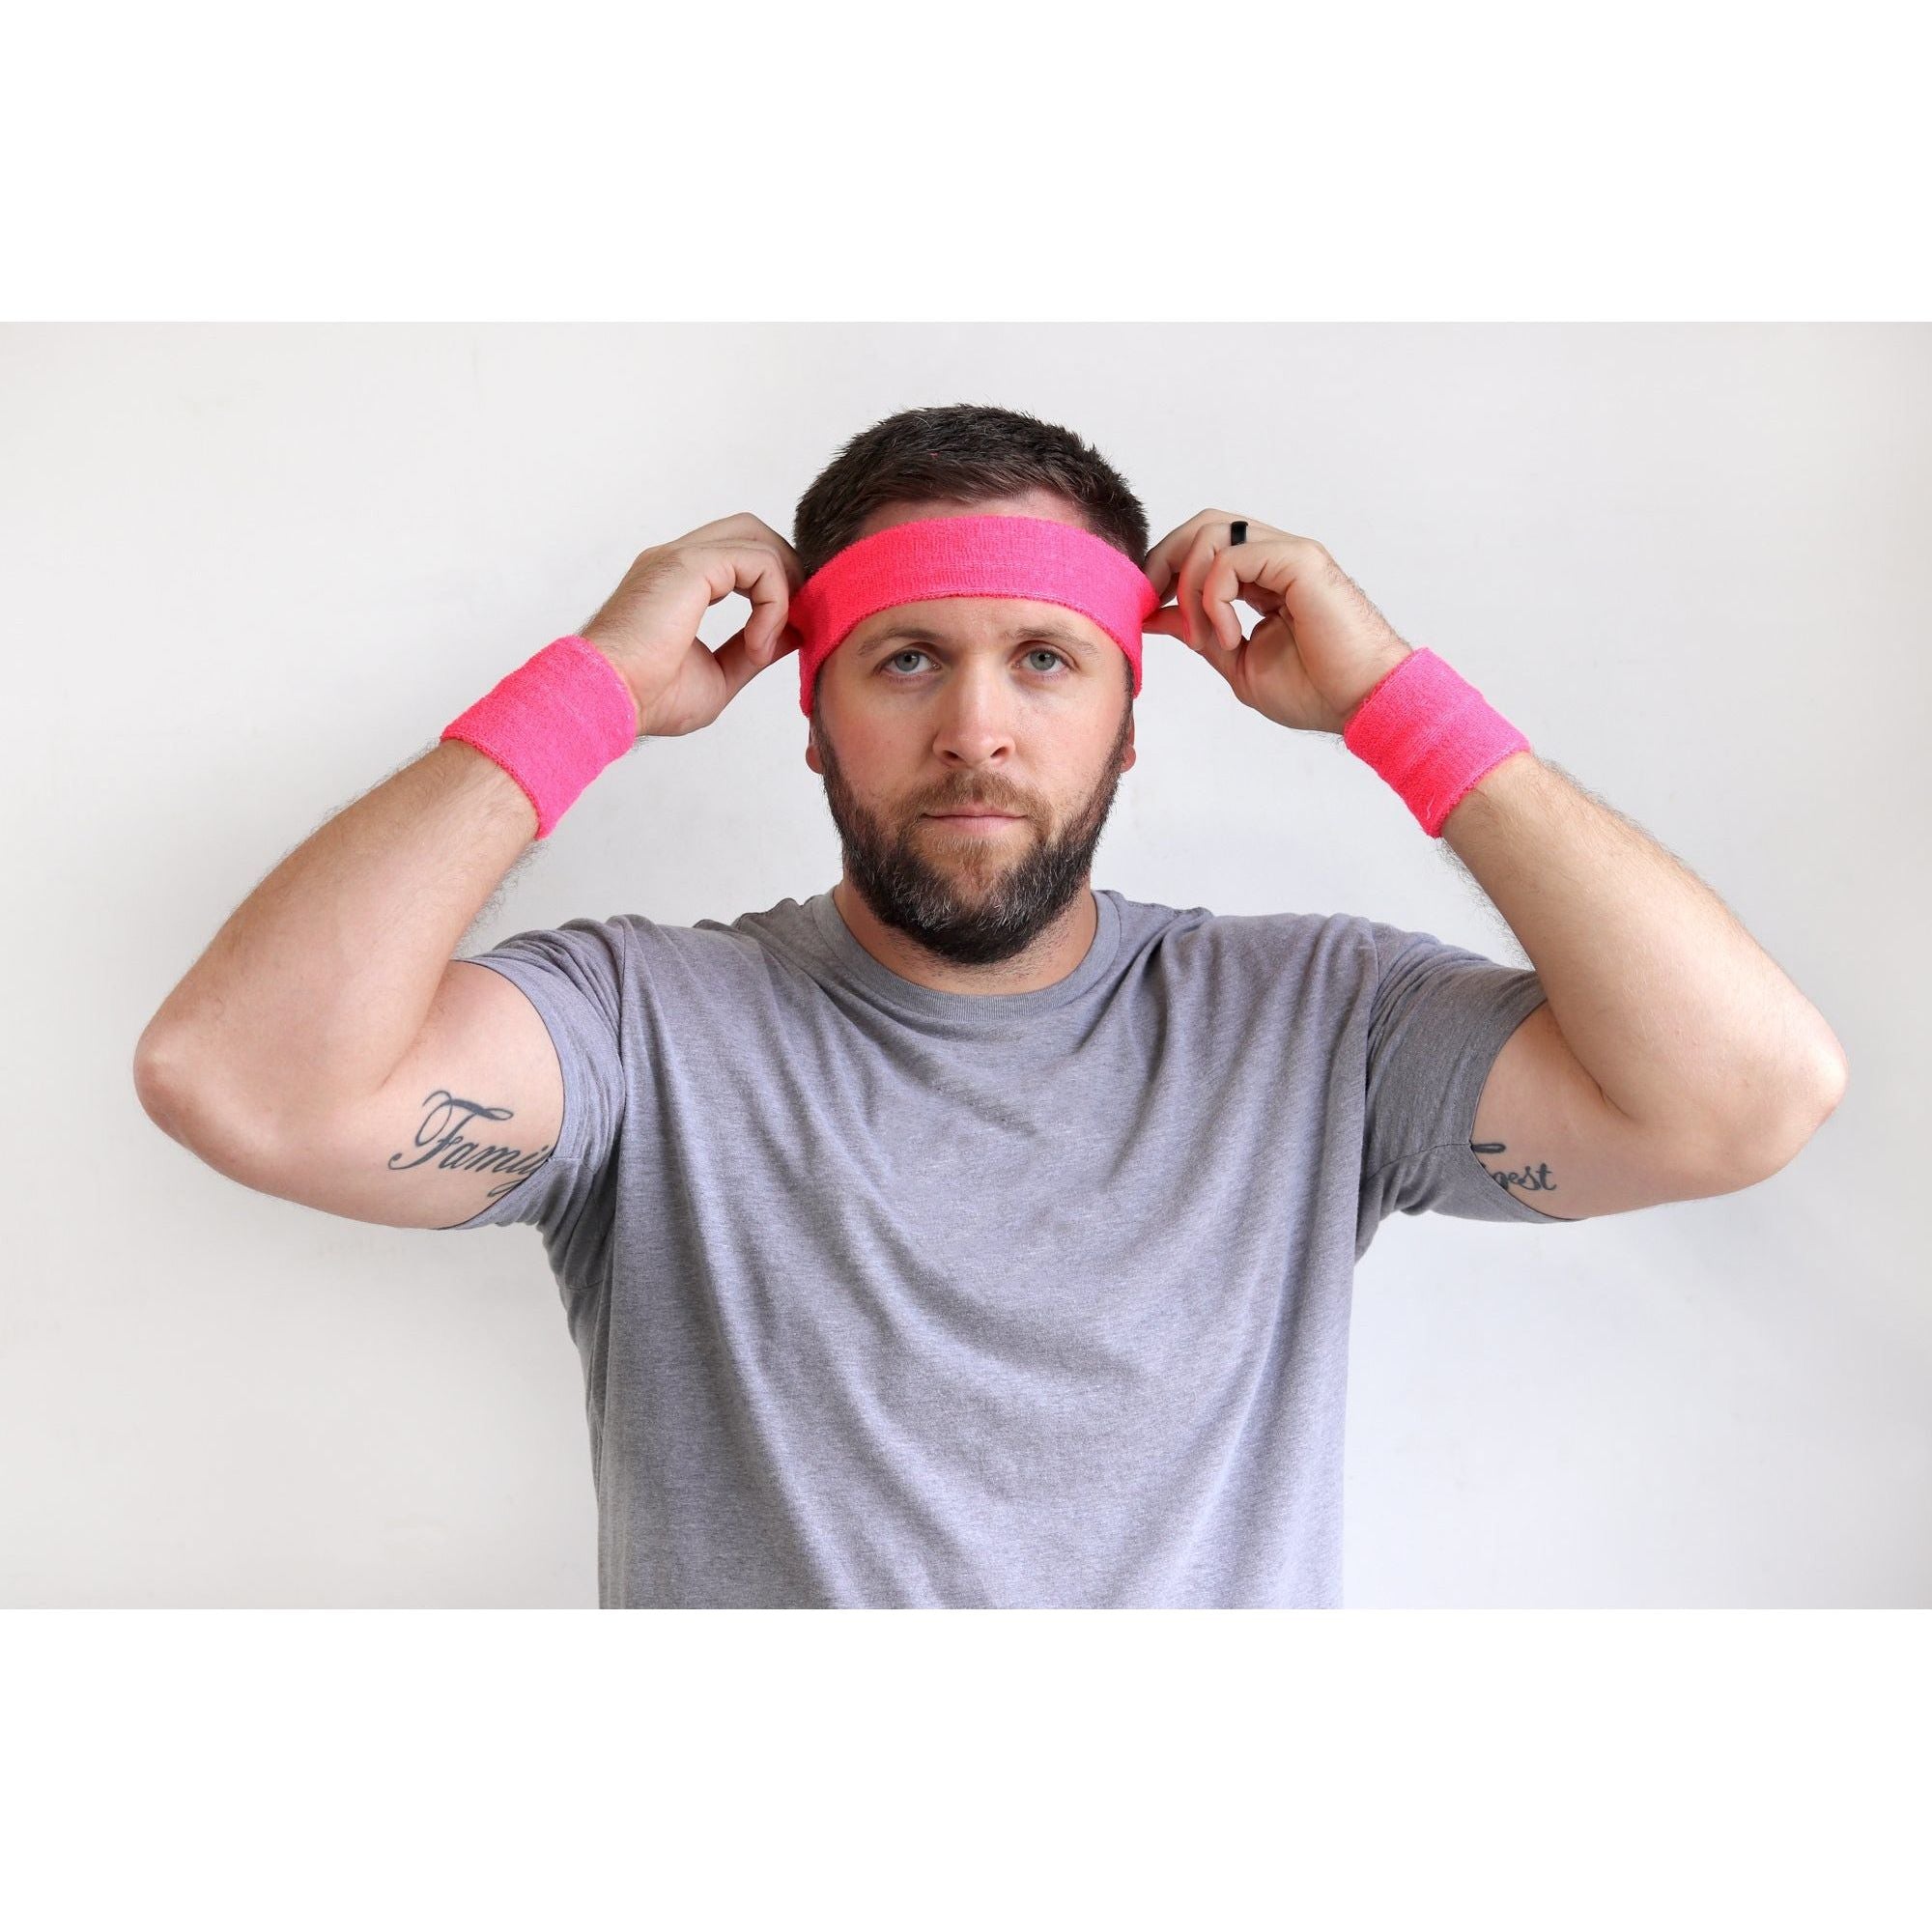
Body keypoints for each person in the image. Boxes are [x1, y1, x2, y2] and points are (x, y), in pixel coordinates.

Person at [132, 403, 1847, 1607]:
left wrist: (1399, 701)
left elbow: (1747, 1095)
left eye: (1044, 659)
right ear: (813, 719)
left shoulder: (1316, 1026)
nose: (976, 731)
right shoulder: (646, 1030)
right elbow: (241, 1080)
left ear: (1128, 720)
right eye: (906, 661)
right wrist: (587, 690)